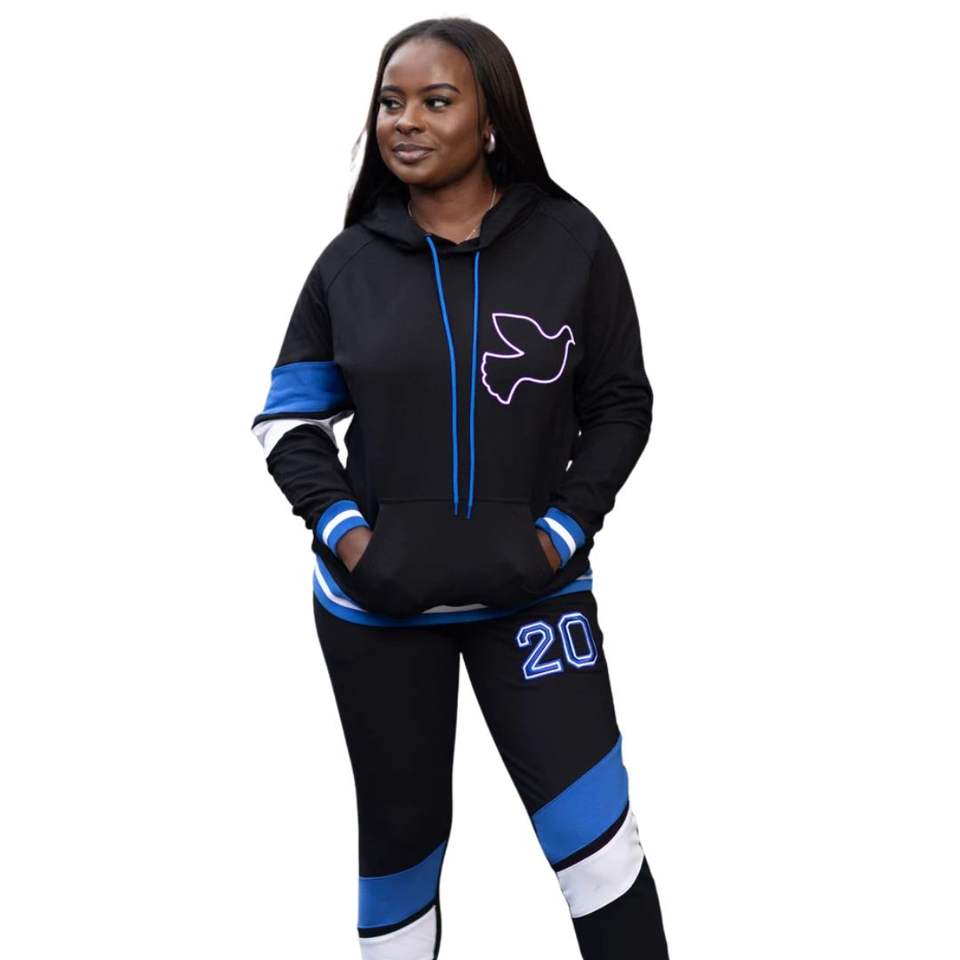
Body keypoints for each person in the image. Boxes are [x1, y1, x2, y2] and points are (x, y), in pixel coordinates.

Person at [251, 16, 671, 960]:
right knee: (400, 852)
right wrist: (353, 540)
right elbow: (288, 423)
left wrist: (562, 532)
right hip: (375, 611)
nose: (405, 121)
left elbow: (620, 405)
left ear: (489, 122)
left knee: (600, 850)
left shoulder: (572, 245)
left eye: (435, 101)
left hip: (535, 601)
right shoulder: (349, 266)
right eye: (390, 103)